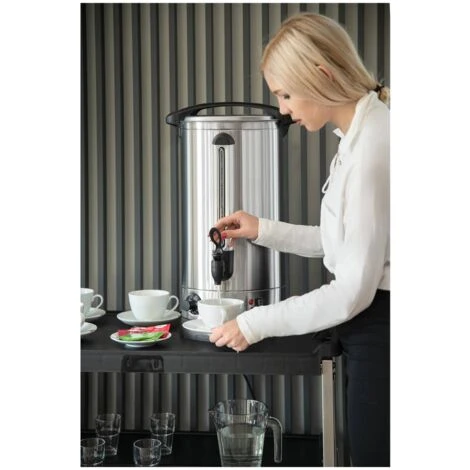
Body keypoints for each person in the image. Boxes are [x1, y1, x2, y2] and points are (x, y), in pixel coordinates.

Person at [208, 12, 390, 467]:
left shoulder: (373, 149)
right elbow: (340, 243)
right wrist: (262, 229)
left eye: (286, 94)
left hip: (383, 328)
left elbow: (351, 293)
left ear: (322, 74)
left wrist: (253, 324)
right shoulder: (358, 135)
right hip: (370, 324)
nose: (284, 108)